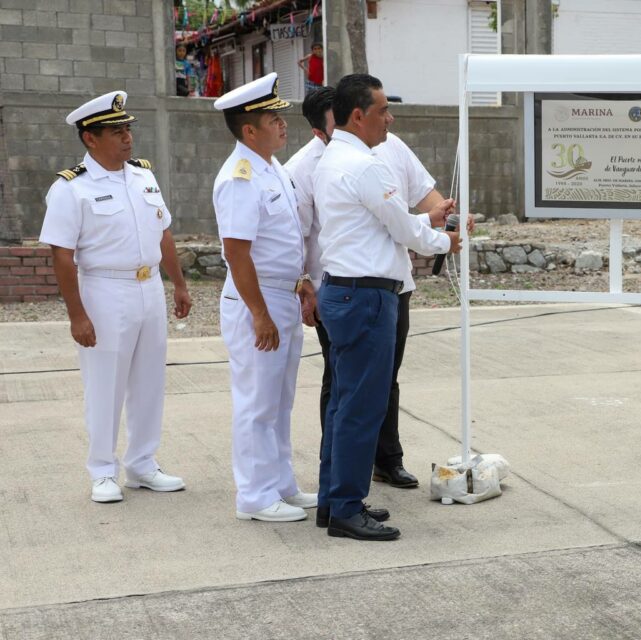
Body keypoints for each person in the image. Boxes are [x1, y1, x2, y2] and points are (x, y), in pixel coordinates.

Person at [285, 87, 464, 527]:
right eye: (384, 112)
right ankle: (346, 507)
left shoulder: (333, 160)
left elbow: (382, 225)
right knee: (362, 408)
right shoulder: (365, 166)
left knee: (344, 404)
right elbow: (404, 232)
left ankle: (334, 502)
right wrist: (445, 239)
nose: (391, 120)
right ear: (359, 115)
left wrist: (429, 220)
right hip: (366, 297)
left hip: (348, 291)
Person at [40, 91, 191, 503]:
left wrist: (177, 283)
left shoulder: (143, 176)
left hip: (149, 288)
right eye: (116, 131)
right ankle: (103, 470)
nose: (127, 138)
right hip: (105, 289)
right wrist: (77, 314)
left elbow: (163, 232)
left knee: (149, 380)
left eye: (128, 129)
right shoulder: (71, 189)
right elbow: (62, 254)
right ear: (91, 138)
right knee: (105, 383)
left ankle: (142, 464)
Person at [212, 73, 319, 523]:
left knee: (280, 400)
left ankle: (280, 484)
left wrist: (304, 283)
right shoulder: (240, 178)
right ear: (249, 129)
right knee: (257, 401)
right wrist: (259, 314)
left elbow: (287, 237)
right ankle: (254, 496)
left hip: (285, 296)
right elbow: (237, 252)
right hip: (257, 300)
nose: (283, 124)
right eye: (272, 118)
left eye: (280, 116)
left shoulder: (273, 167)